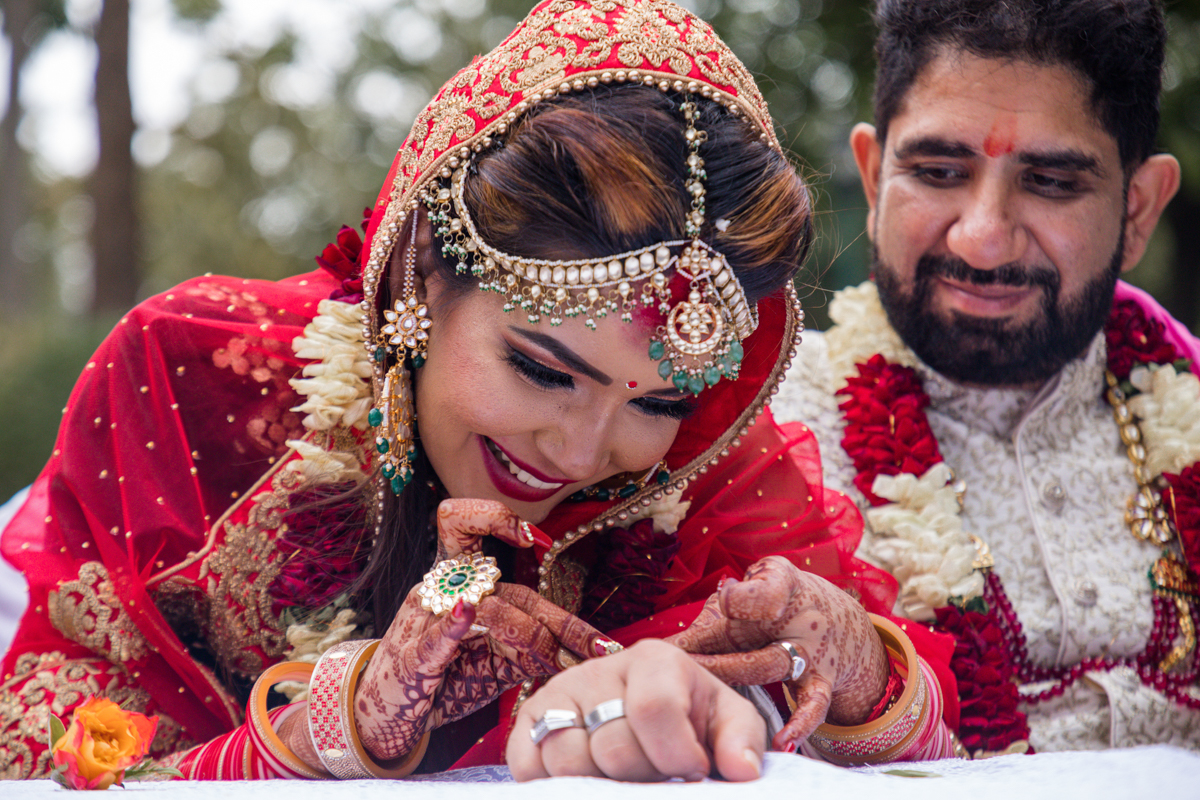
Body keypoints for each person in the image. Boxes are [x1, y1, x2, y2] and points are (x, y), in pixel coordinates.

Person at [0, 0, 942, 782]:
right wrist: (347, 714)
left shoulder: (702, 481)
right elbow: (42, 760)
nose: (579, 454)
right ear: (417, 281)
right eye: (540, 368)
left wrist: (863, 672)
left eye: (657, 402)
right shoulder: (200, 386)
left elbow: (950, 761)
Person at [773, 0, 1200, 756]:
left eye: (1052, 182)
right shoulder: (761, 444)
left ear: (1136, 211)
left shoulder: (1186, 396)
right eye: (938, 172)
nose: (983, 239)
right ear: (873, 179)